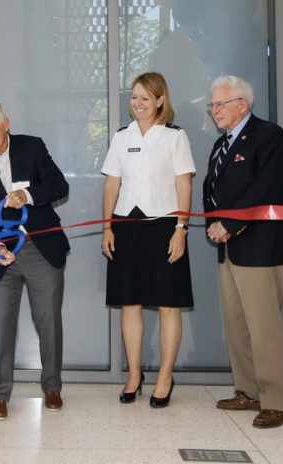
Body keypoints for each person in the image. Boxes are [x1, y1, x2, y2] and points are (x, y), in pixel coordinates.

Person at [0, 100, 70, 421]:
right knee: (0, 326)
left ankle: (52, 386)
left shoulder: (32, 147)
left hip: (42, 246)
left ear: (5, 123)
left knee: (48, 319)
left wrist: (27, 195)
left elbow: (58, 185)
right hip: (2, 254)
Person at [202, 75, 283, 429]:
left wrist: (227, 223)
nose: (215, 111)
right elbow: (212, 192)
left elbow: (266, 188)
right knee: (237, 326)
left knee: (263, 327)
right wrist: (217, 223)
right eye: (212, 105)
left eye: (220, 104)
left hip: (260, 247)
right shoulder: (221, 144)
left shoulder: (268, 136)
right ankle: (247, 391)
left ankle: (275, 401)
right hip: (229, 248)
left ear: (243, 103)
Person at [101, 72, 194, 408]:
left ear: (160, 101)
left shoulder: (175, 137)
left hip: (165, 225)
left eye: (145, 97)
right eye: (134, 97)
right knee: (130, 302)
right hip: (126, 224)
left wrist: (181, 228)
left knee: (169, 304)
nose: (137, 103)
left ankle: (165, 376)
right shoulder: (121, 137)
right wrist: (107, 227)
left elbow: (184, 185)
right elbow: (112, 185)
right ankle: (134, 375)